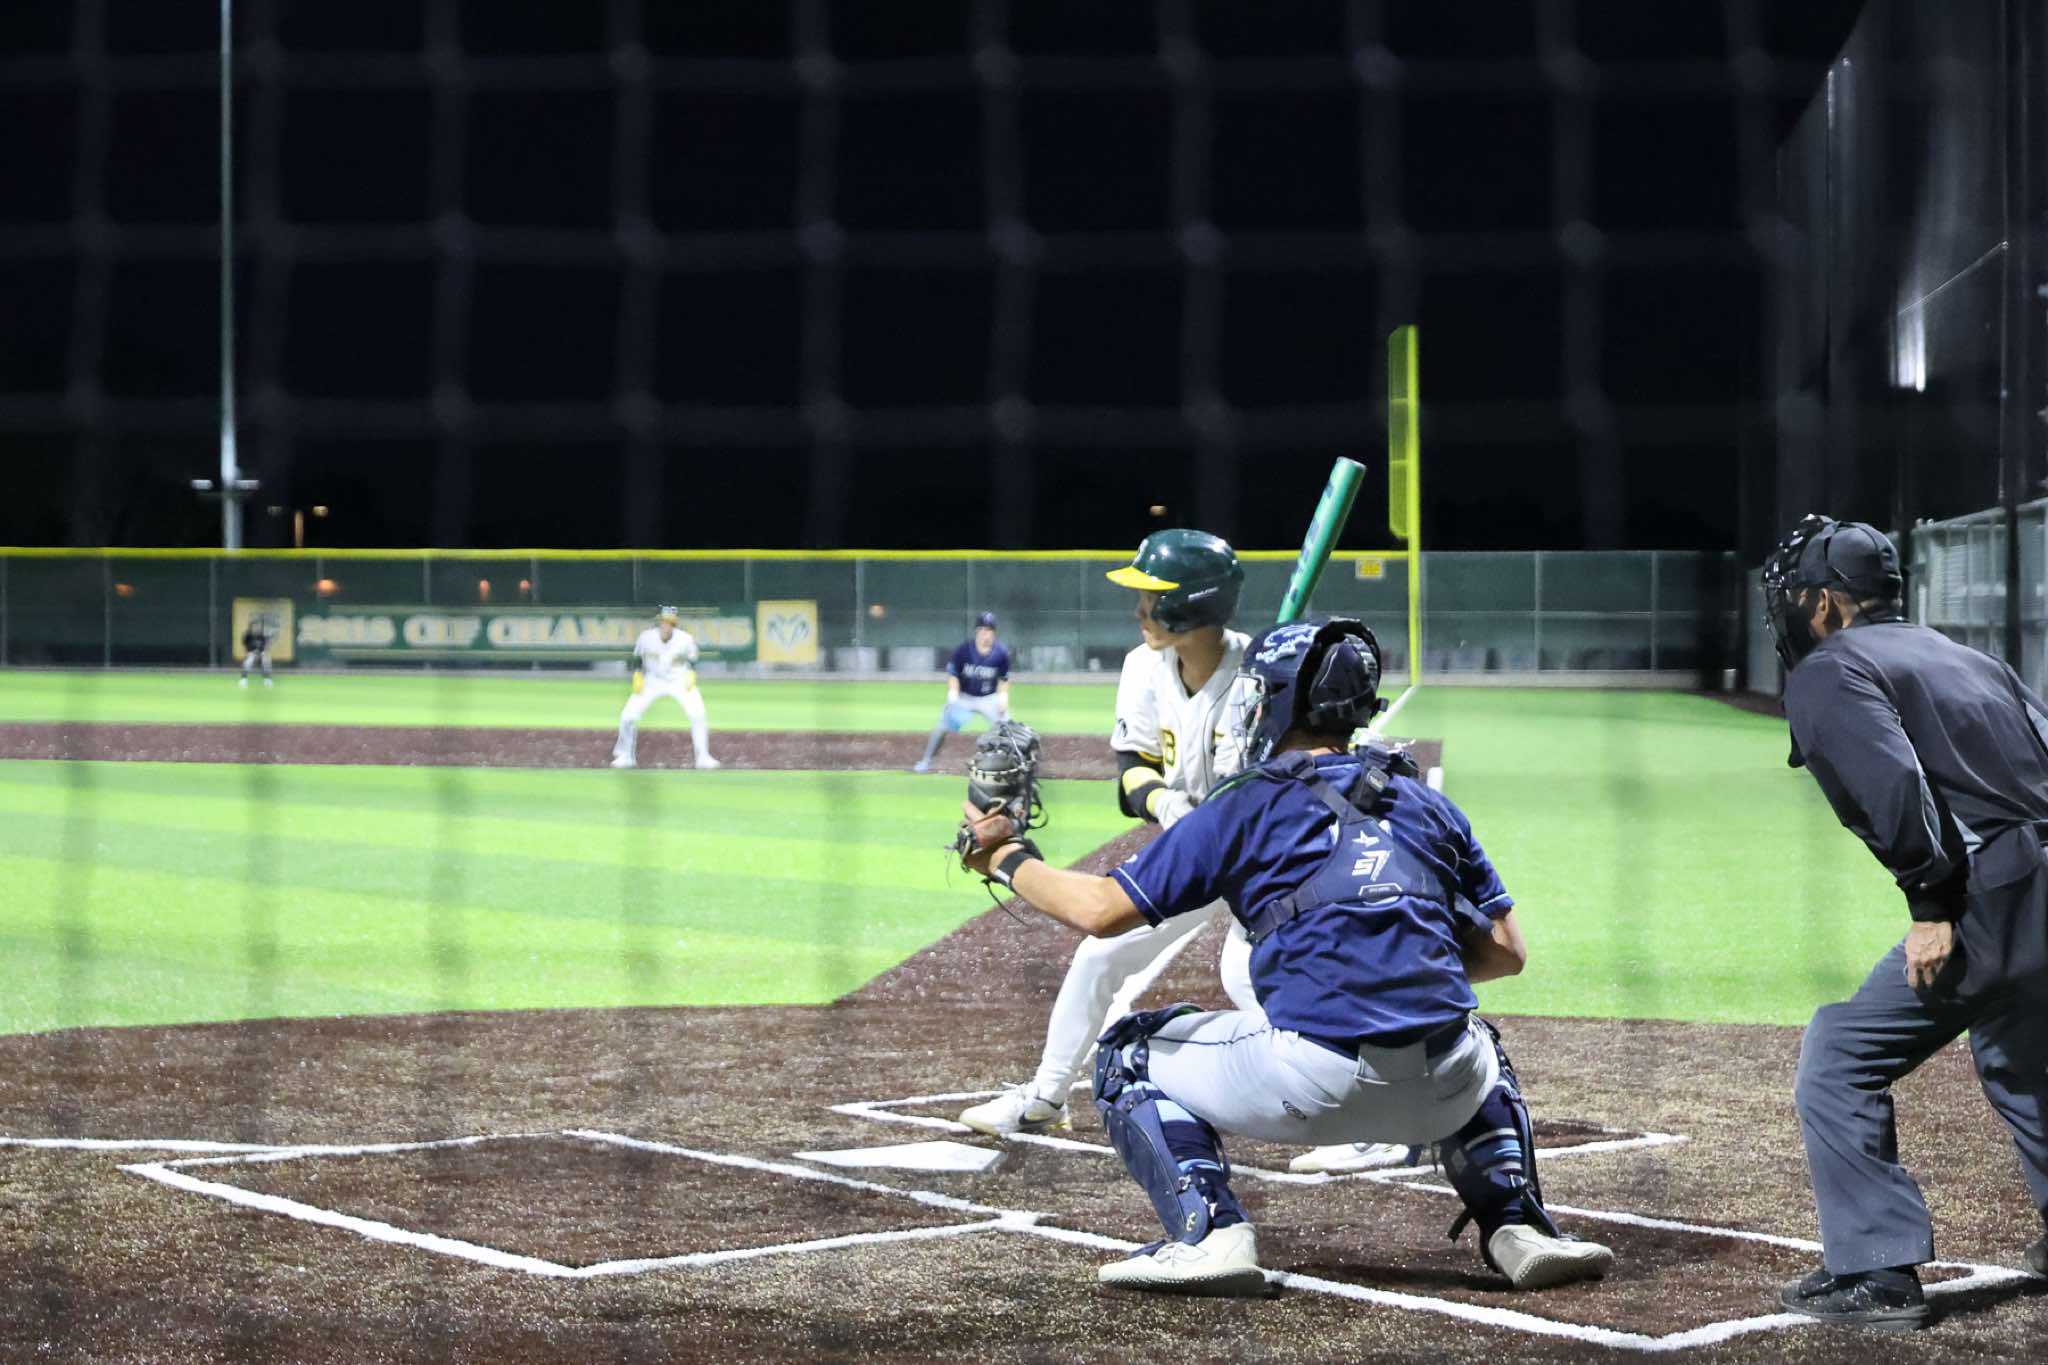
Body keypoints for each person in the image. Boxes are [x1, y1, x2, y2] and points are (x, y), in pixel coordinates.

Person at [957, 617, 1615, 1294]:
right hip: (1450, 1089)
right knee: (1479, 1038)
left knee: (1126, 1052)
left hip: (1313, 1085)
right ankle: (1519, 1226)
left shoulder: (1247, 802)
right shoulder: (1426, 803)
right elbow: (1507, 951)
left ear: (1276, 703)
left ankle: (1211, 1234)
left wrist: (1004, 856)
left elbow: (1099, 911)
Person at [1763, 514, 2048, 1331]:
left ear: (1824, 604)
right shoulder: (1967, 657)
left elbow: (1893, 783)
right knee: (2018, 1051)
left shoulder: (1831, 668)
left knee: (1839, 1054)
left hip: (1997, 893)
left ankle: (1877, 1270)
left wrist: (1931, 903)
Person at [957, 529, 1258, 1135]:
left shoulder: (1258, 677)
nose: (1139, 610)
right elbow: (1131, 770)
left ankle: (1371, 1118)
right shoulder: (1143, 666)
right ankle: (1047, 1097)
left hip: (1260, 856)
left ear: (1189, 604)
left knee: (1247, 974)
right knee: (1100, 954)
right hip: (1192, 850)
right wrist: (1166, 804)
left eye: (1152, 596)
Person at [610, 605, 719, 770]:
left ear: (675, 624)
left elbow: (692, 659)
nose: (666, 625)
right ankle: (625, 756)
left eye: (670, 623)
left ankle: (703, 758)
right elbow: (637, 658)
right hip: (652, 681)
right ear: (659, 622)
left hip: (678, 680)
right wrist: (638, 674)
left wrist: (691, 672)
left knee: (698, 713)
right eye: (664, 622)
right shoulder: (646, 638)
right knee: (628, 716)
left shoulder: (685, 639)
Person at [912, 611, 1012, 773]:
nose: (985, 633)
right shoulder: (964, 651)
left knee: (1008, 728)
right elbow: (953, 675)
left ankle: (1016, 764)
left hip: (989, 698)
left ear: (994, 633)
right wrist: (952, 699)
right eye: (981, 629)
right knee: (941, 728)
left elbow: (1004, 679)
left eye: (988, 630)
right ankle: (926, 761)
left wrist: (1003, 700)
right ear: (976, 632)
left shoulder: (1001, 653)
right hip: (964, 697)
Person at [239, 617, 274, 688]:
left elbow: (264, 646)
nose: (256, 628)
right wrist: (251, 652)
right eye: (254, 626)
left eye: (257, 626)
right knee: (248, 661)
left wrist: (261, 653)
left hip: (261, 653)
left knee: (266, 660)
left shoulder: (261, 635)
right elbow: (245, 645)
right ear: (251, 627)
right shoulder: (247, 635)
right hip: (251, 653)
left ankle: (267, 680)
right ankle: (243, 680)